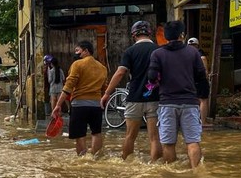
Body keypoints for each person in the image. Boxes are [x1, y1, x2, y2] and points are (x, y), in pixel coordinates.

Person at [147, 21, 208, 168]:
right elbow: (202, 77)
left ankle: (171, 177)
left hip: (167, 103)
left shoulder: (157, 54)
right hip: (190, 103)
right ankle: (196, 173)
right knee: (193, 142)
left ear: (166, 36)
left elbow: (151, 77)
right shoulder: (193, 52)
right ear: (182, 35)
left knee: (168, 144)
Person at [100, 21, 162, 162]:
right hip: (155, 97)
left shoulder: (130, 51)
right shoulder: (158, 50)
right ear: (149, 33)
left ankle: (126, 165)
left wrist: (107, 93)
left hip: (134, 98)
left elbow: (120, 72)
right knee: (154, 137)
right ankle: (156, 167)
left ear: (133, 35)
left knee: (130, 136)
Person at [52, 40, 107, 156]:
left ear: (86, 51)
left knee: (80, 135)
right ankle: (95, 159)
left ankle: (82, 160)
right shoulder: (102, 68)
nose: (76, 54)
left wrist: (58, 105)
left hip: (79, 105)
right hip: (96, 106)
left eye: (78, 51)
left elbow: (68, 87)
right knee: (96, 133)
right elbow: (104, 89)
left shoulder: (77, 64)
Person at [187, 37, 211, 123]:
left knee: (193, 101)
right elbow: (203, 60)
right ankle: (203, 121)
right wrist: (207, 74)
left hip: (189, 80)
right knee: (203, 100)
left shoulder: (186, 54)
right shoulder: (200, 53)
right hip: (200, 80)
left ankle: (193, 121)